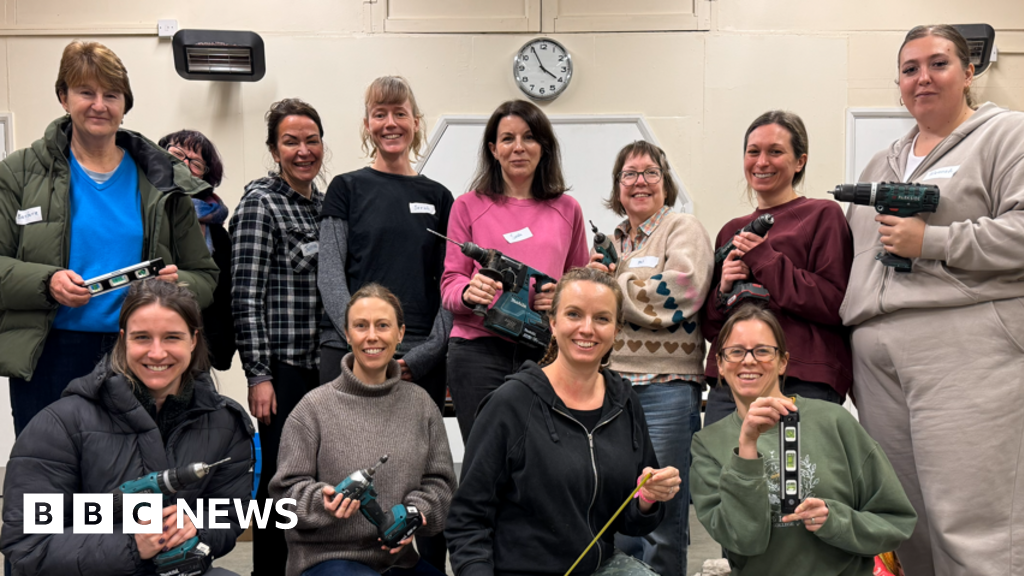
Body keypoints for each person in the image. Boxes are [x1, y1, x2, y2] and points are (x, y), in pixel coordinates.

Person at [841, 24, 1024, 576]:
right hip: (876, 363)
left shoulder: (1007, 135)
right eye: (910, 68)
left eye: (938, 64)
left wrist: (935, 243)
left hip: (965, 347)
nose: (923, 78)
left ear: (969, 72)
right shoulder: (882, 163)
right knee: (906, 521)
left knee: (972, 524)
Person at [0, 40, 217, 436]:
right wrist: (46, 283)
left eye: (111, 95)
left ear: (124, 103)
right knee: (51, 473)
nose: (99, 105)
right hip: (50, 354)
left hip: (138, 354)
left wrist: (178, 285)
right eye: (86, 92)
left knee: (136, 481)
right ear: (63, 97)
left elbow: (205, 276)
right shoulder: (19, 172)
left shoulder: (163, 177)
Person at [0, 280, 253, 576]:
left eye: (172, 337)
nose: (157, 353)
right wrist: (132, 545)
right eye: (142, 337)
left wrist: (198, 526)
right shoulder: (60, 425)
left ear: (194, 340)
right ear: (123, 339)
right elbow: (28, 546)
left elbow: (229, 514)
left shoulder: (224, 423)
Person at [446, 267, 681, 576]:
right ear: (553, 324)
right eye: (574, 314)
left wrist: (648, 499)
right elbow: (467, 519)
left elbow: (630, 522)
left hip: (599, 567)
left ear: (616, 329)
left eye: (602, 318)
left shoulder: (624, 403)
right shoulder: (510, 404)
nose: (587, 328)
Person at [318, 76, 454, 572]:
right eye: (379, 113)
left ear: (416, 122)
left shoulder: (439, 196)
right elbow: (331, 273)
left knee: (418, 465)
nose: (390, 123)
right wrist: (363, 342)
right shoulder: (346, 188)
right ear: (367, 123)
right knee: (347, 464)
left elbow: (450, 283)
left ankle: (420, 560)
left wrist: (422, 353)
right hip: (350, 351)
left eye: (399, 113)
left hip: (420, 354)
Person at [689, 305, 917, 576]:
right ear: (721, 365)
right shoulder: (707, 444)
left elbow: (896, 523)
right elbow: (744, 540)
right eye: (736, 351)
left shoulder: (834, 421)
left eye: (762, 350)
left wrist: (835, 520)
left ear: (783, 361)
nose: (748, 360)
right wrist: (747, 446)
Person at [588, 140, 713, 576]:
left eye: (650, 173)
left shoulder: (683, 228)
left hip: (667, 389)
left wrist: (610, 289)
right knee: (622, 510)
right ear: (617, 187)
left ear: (666, 182)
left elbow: (681, 292)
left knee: (663, 518)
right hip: (613, 390)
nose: (639, 182)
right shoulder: (616, 240)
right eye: (629, 174)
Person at [271, 284, 456, 576]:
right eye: (361, 326)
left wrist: (416, 514)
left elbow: (442, 484)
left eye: (383, 325)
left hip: (398, 561)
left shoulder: (421, 405)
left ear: (400, 334)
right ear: (347, 334)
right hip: (327, 560)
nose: (372, 336)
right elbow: (284, 497)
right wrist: (324, 502)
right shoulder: (312, 409)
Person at [440, 99, 589, 442]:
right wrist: (467, 292)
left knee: (542, 459)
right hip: (477, 352)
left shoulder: (568, 210)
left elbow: (581, 287)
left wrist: (562, 298)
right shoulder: (467, 206)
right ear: (493, 149)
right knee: (485, 460)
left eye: (529, 137)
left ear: (543, 147)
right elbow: (450, 284)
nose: (518, 148)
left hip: (544, 354)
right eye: (507, 139)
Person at [701, 111, 853, 426]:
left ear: (800, 161)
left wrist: (765, 258)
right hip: (732, 382)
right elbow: (711, 328)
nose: (762, 161)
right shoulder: (731, 230)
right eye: (753, 151)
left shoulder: (823, 215)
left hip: (802, 377)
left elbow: (834, 303)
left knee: (800, 476)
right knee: (721, 473)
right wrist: (724, 290)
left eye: (775, 151)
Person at [231, 98, 326, 576]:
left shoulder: (325, 207)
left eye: (311, 140)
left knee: (317, 480)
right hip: (284, 371)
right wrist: (259, 375)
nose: (303, 150)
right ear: (274, 148)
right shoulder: (259, 204)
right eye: (291, 141)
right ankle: (267, 571)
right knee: (276, 483)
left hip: (324, 368)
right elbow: (244, 297)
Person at [159, 129, 236, 370]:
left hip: (197, 347)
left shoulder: (219, 235)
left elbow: (224, 298)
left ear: (206, 178)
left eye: (196, 163)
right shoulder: (137, 208)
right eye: (177, 153)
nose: (183, 164)